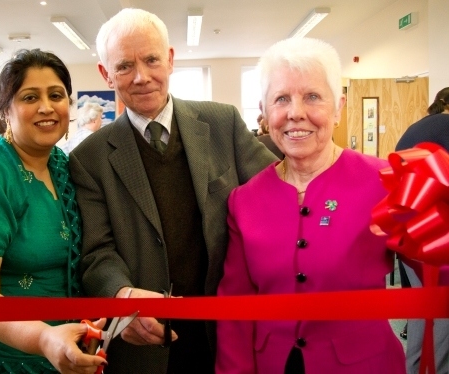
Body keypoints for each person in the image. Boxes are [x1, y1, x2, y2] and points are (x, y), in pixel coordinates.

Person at [68, 8, 277, 374]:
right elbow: (96, 252)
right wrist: (122, 298)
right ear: (106, 74)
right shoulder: (90, 158)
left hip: (226, 332)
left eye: (151, 60)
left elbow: (278, 189)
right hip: (143, 338)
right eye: (124, 67)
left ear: (170, 59)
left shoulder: (222, 123)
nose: (141, 77)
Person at [216, 37, 405, 374]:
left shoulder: (385, 182)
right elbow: (235, 310)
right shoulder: (244, 201)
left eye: (313, 97)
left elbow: (437, 270)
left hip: (364, 365)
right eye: (281, 99)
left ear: (338, 108)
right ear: (264, 110)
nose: (295, 113)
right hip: (271, 364)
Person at [0, 49, 107, 374]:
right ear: (5, 109)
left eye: (56, 95)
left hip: (61, 351)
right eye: (30, 96)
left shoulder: (63, 165)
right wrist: (44, 338)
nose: (46, 106)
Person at [395, 86, 449, 374]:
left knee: (423, 311)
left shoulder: (417, 127)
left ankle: (415, 367)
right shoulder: (446, 127)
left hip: (408, 232)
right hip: (437, 236)